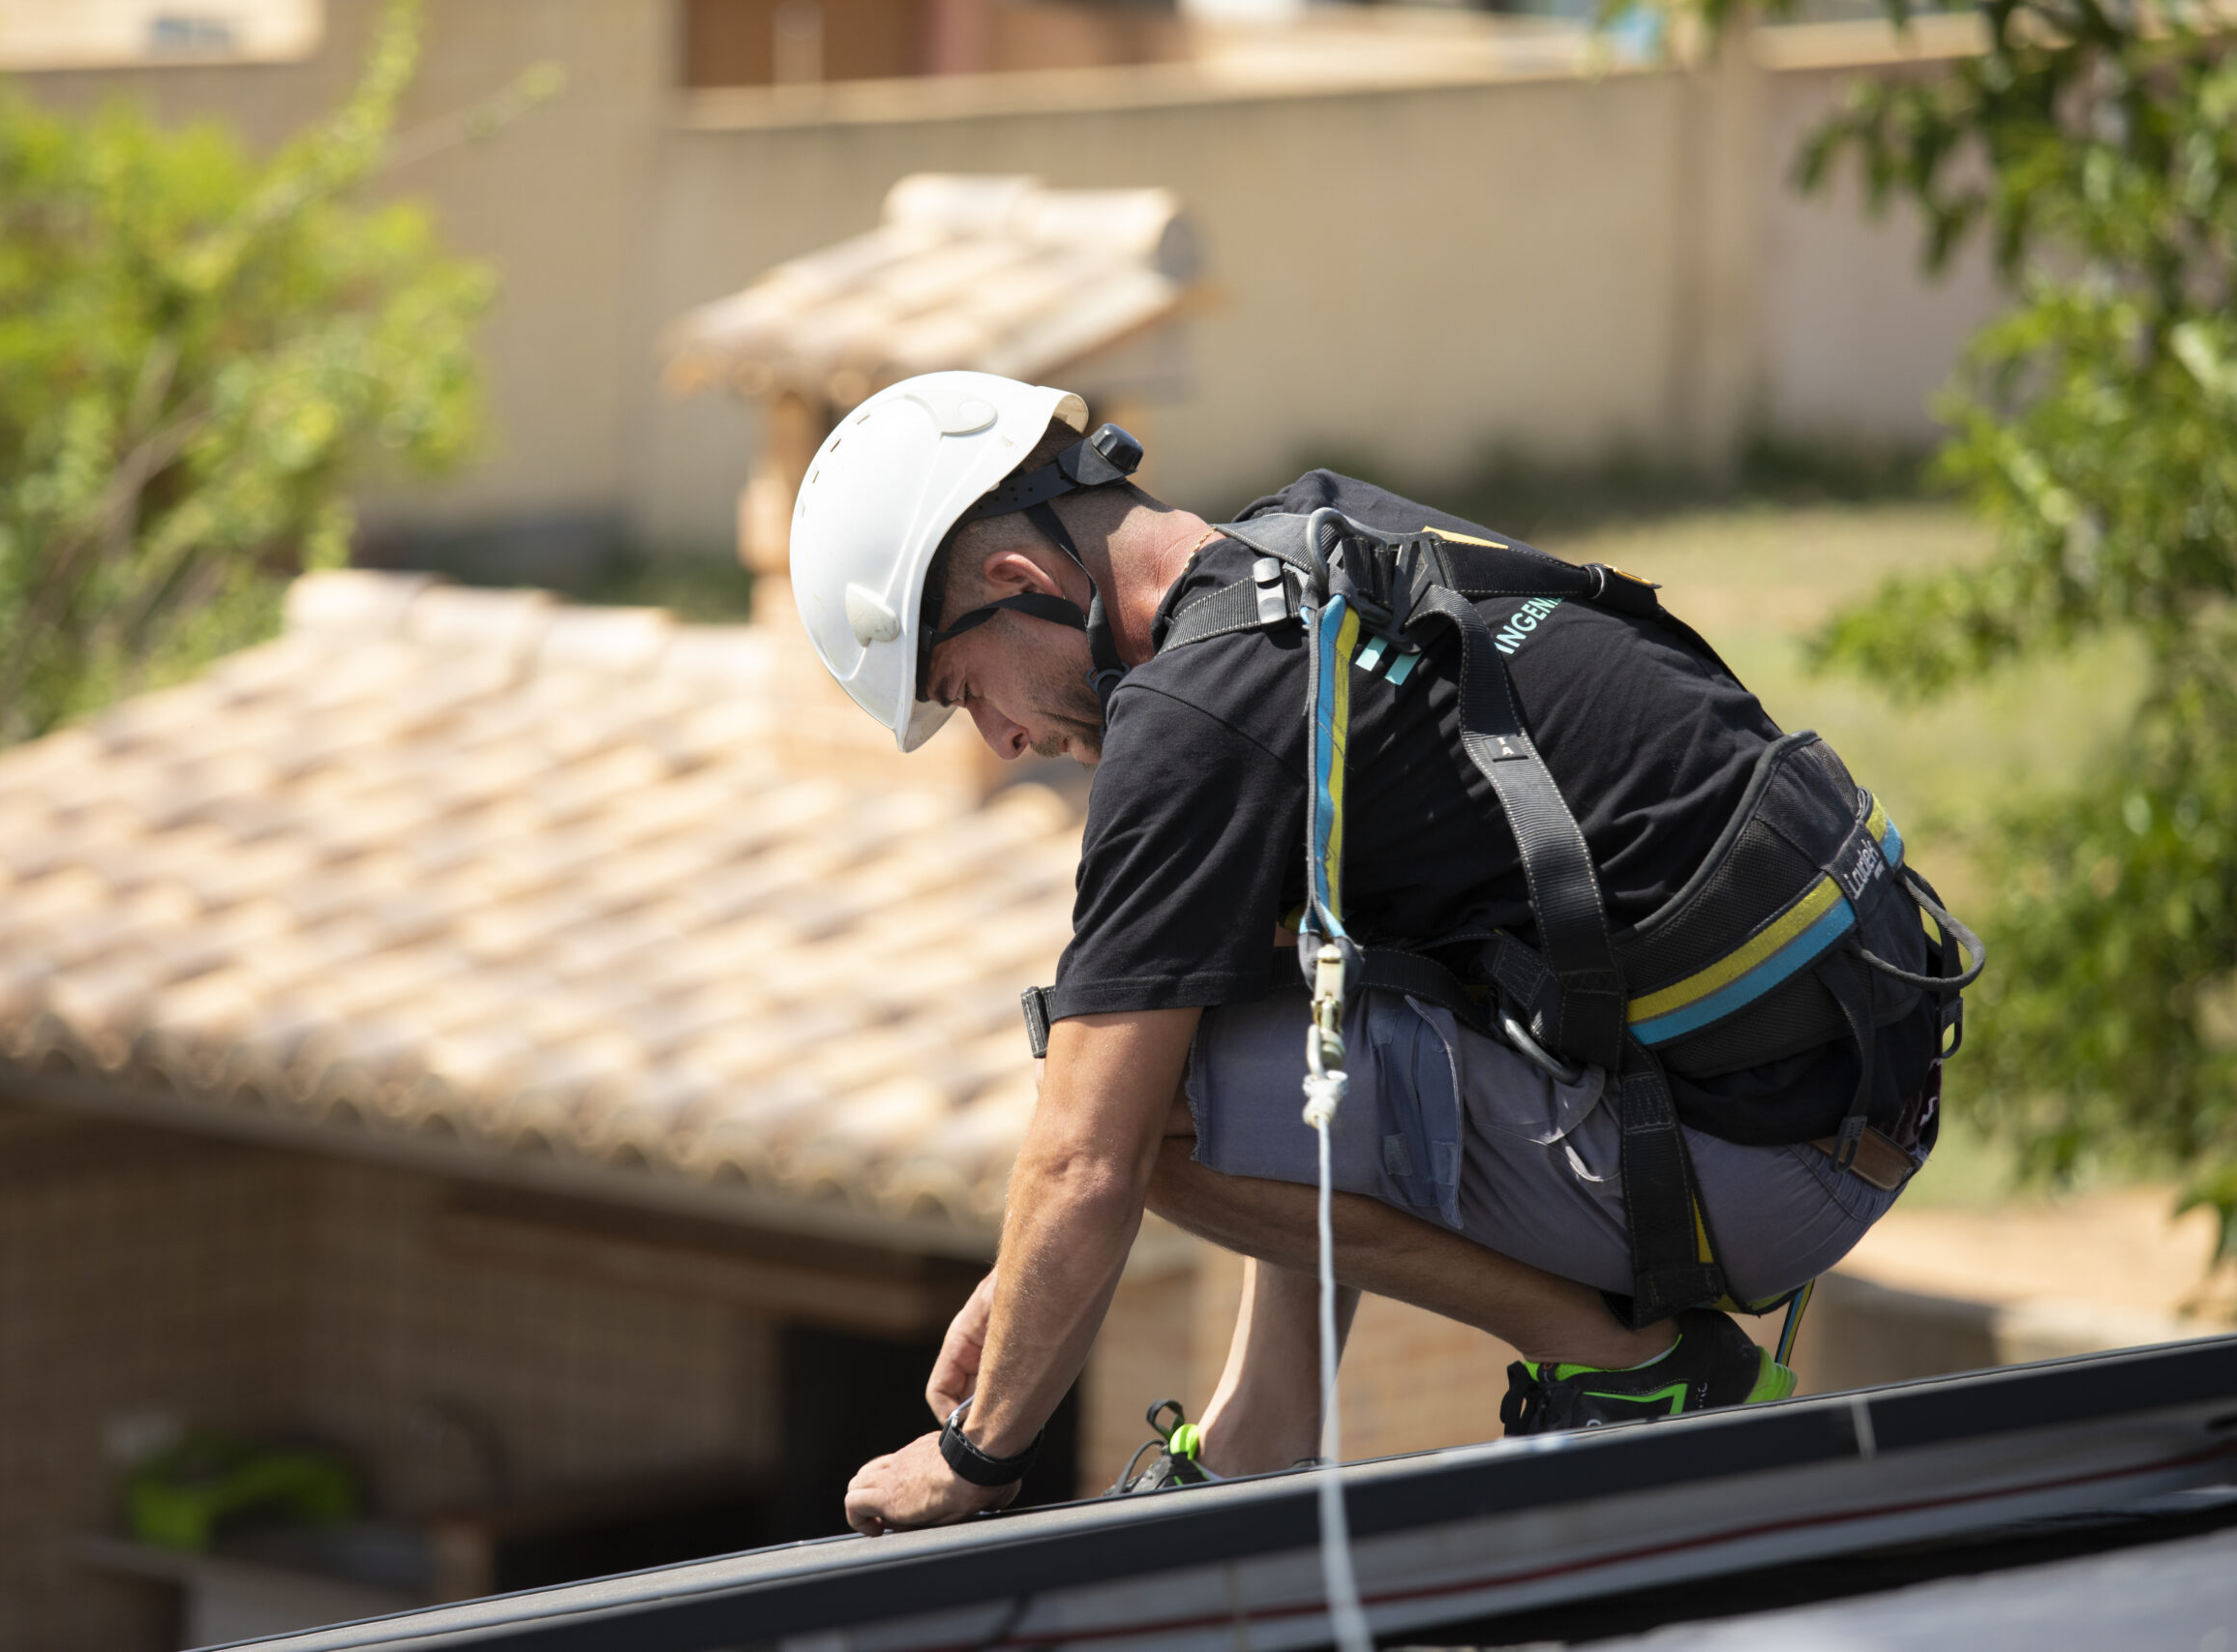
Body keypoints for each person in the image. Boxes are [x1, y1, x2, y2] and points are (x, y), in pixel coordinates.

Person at [786, 373, 1976, 1536]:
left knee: (1151, 1104)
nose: (999, 742)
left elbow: (1082, 1157)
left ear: (1018, 580)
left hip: (1754, 1165)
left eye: (964, 687)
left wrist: (974, 1457)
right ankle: (1264, 1434)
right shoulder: (1322, 543)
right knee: (1231, 1001)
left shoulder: (1195, 719)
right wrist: (1027, 1280)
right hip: (1856, 1083)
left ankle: (1631, 1367)